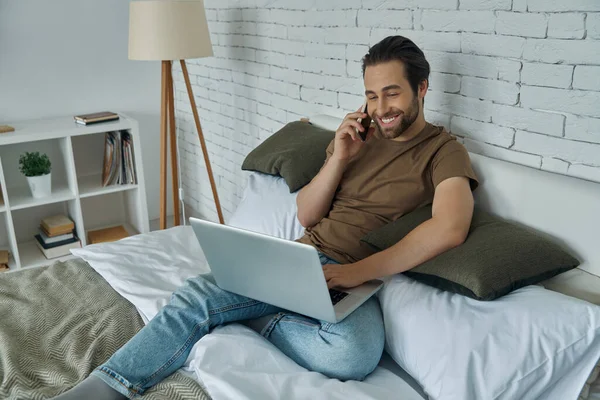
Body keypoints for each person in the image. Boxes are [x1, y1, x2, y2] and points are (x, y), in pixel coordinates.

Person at [54, 35, 478, 400]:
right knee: (196, 295)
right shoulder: (357, 136)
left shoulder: (444, 152)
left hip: (357, 277)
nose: (380, 107)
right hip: (302, 258)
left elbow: (450, 227)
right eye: (371, 95)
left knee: (353, 355)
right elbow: (306, 213)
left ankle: (250, 311)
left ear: (422, 88)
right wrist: (340, 158)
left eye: (392, 93)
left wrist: (356, 272)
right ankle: (108, 385)